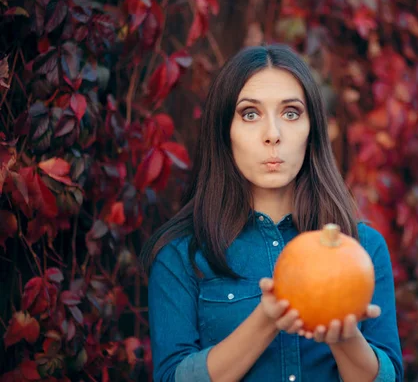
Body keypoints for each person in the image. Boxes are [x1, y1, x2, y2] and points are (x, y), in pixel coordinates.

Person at [142, 44, 403, 382]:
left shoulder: (361, 248)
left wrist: (346, 338)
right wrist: (266, 319)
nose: (273, 135)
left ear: (312, 131)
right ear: (225, 133)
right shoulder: (181, 255)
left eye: (291, 113)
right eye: (250, 114)